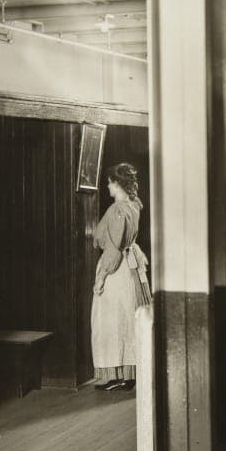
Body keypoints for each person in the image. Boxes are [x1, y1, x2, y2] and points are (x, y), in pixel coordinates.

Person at [91, 163, 151, 391]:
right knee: (126, 318)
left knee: (113, 320)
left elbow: (113, 249)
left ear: (117, 184)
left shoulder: (118, 209)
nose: (108, 187)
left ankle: (121, 375)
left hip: (117, 270)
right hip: (130, 266)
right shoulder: (134, 205)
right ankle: (126, 374)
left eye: (109, 183)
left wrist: (101, 277)